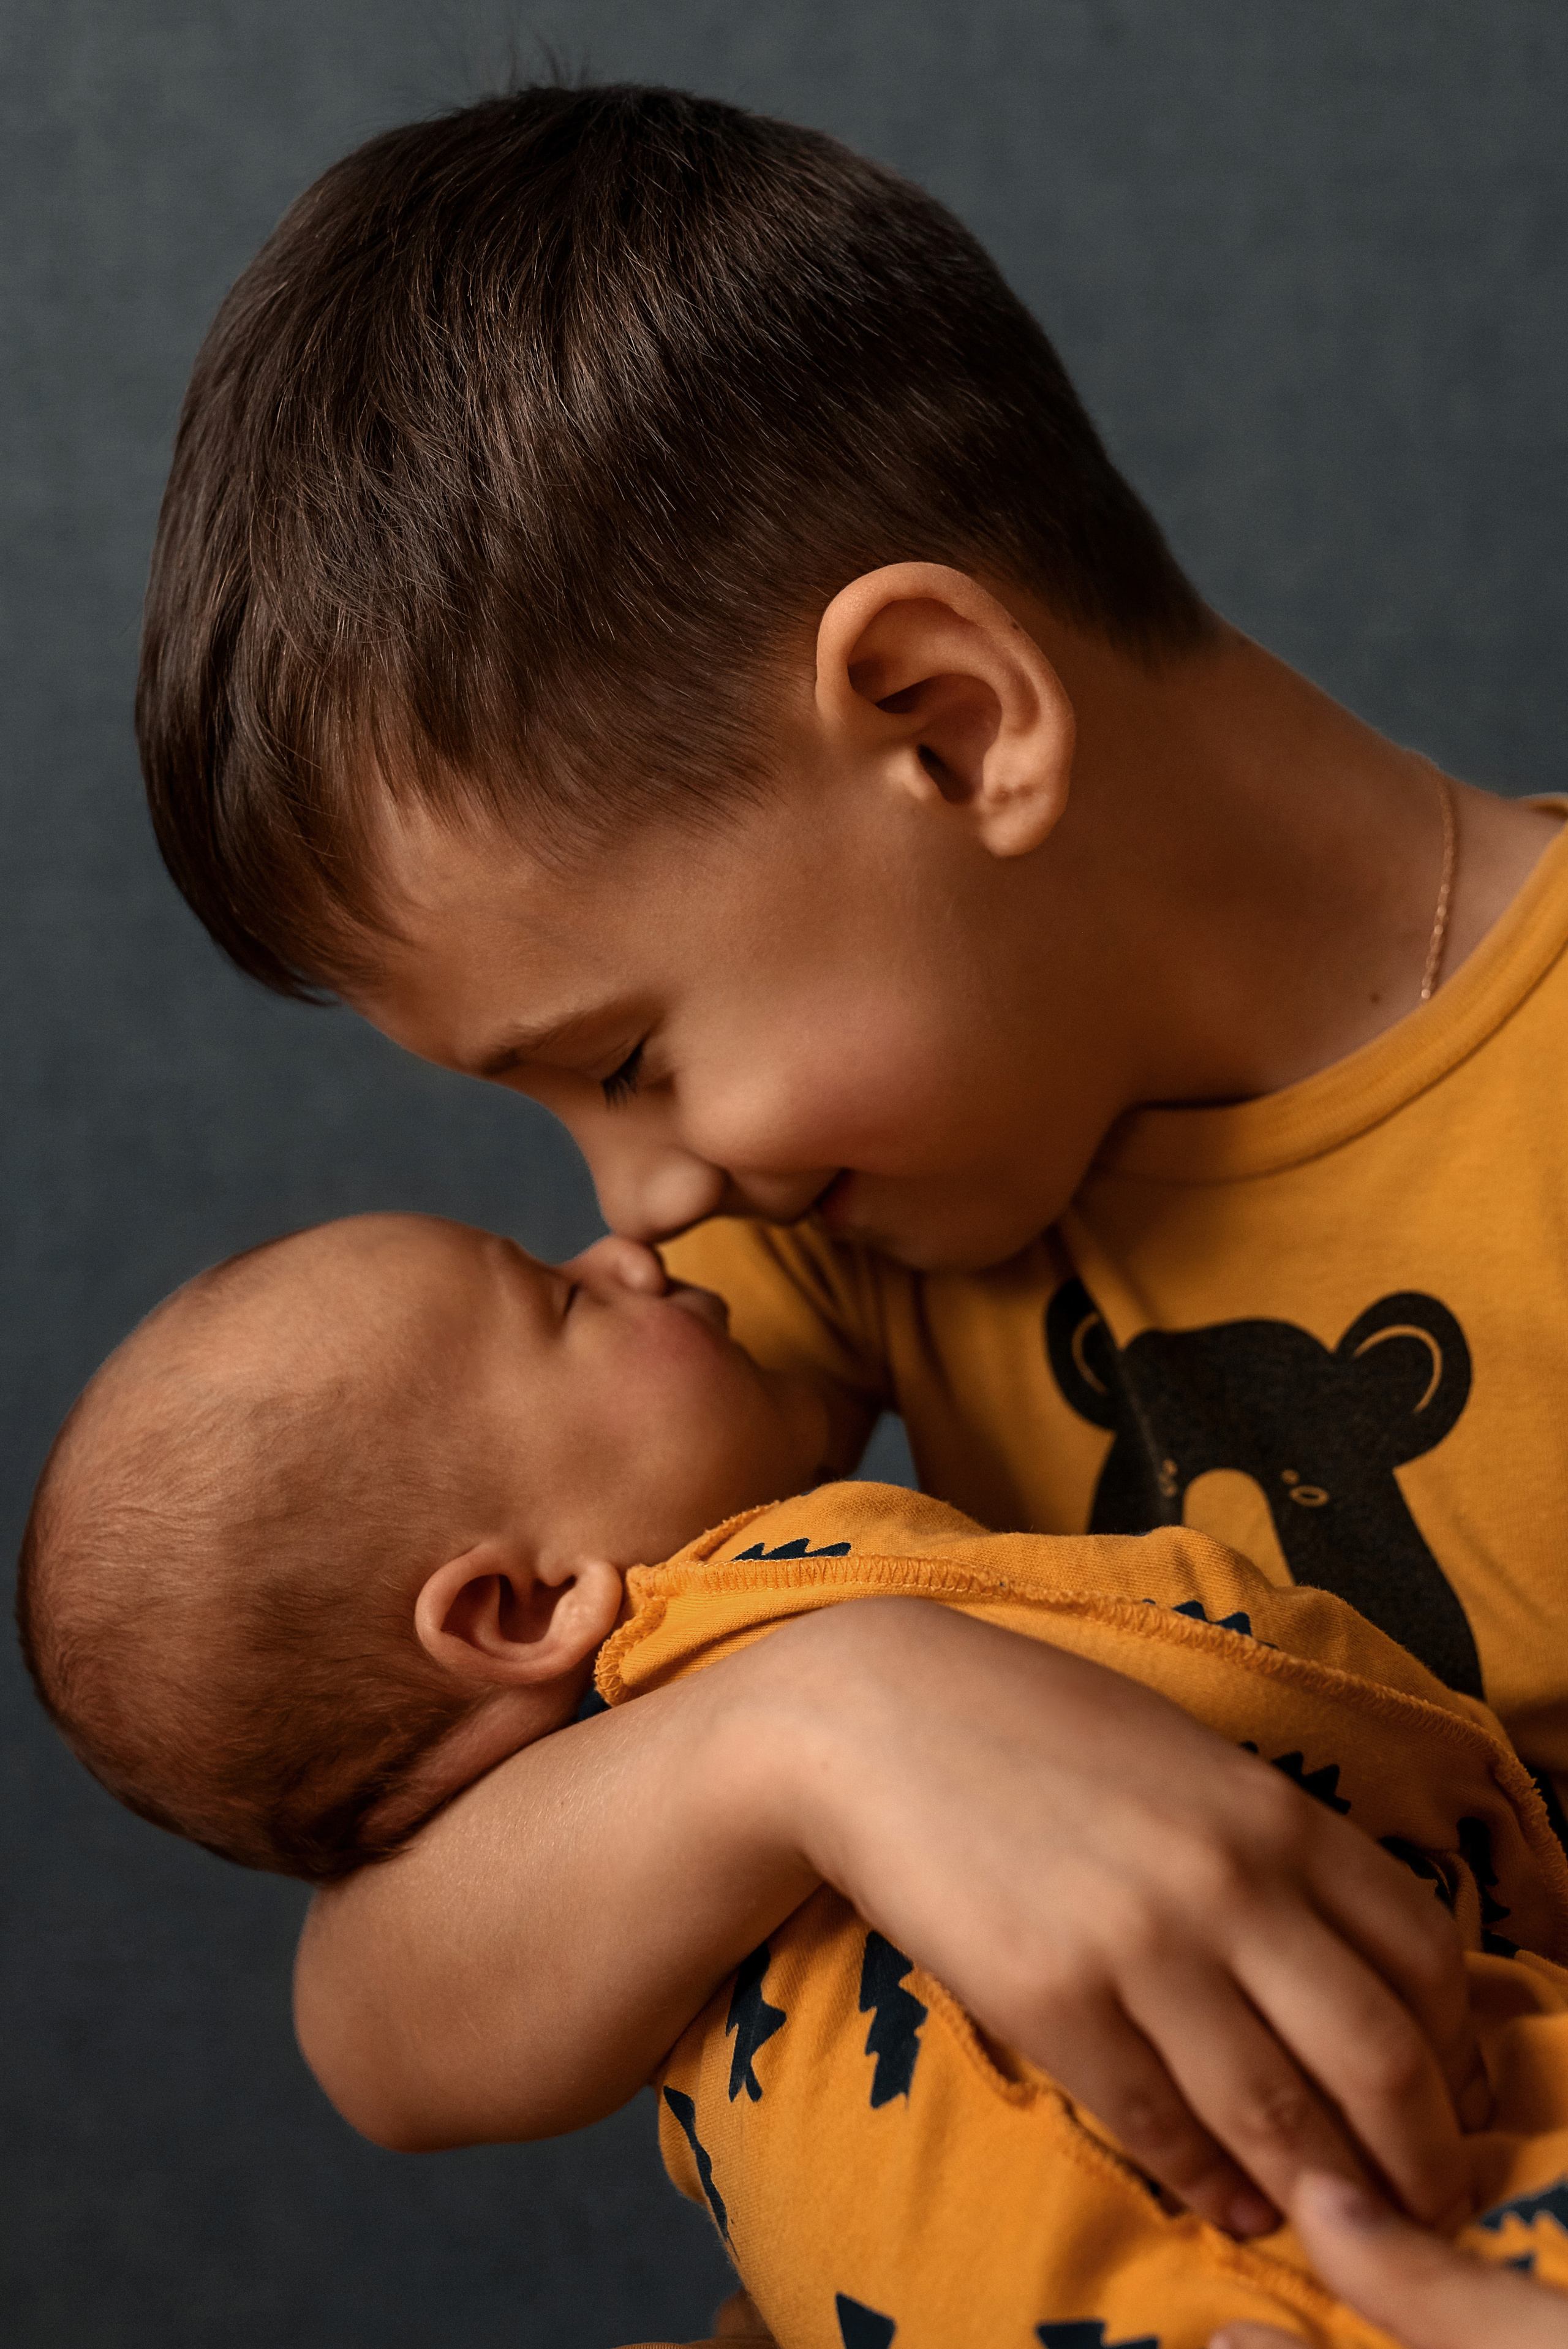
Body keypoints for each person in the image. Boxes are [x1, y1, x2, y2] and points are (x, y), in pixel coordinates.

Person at [132, 75, 1568, 2283]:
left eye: (627, 1057)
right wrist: (816, 1726)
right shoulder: (827, 1245)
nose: (644, 1204)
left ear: (947, 718)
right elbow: (385, 2020)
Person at [19, 1213, 1568, 2349]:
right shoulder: (777, 1589)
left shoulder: (609, 1908)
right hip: (1336, 2233)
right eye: (560, 1302)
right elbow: (1249, 1673)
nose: (627, 1244)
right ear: (516, 1607)